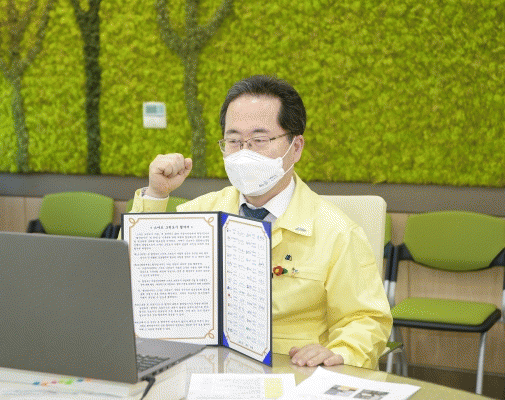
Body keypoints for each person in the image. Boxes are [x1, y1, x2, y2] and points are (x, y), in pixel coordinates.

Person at [129, 75, 392, 369]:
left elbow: (366, 319)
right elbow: (134, 281)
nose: (244, 153)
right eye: (234, 141)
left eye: (259, 140)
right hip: (204, 365)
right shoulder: (200, 215)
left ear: (296, 147)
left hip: (292, 370)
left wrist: (340, 353)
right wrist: (156, 195)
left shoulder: (337, 232)